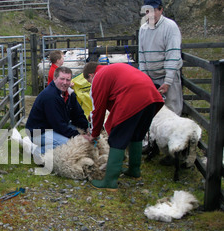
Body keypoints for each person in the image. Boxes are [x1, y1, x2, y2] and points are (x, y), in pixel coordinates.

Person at [82, 62, 165, 191]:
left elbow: (97, 110)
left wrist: (94, 134)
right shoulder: (114, 69)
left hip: (133, 98)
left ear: (91, 75)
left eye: (89, 81)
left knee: (118, 138)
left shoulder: (99, 77)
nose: (91, 85)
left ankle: (110, 182)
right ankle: (134, 170)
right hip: (151, 97)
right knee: (136, 135)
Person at [26, 66, 89, 155]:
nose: (65, 83)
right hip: (39, 132)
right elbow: (58, 124)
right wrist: (79, 136)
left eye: (68, 80)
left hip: (53, 127)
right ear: (55, 78)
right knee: (68, 143)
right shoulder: (50, 97)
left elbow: (78, 114)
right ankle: (35, 150)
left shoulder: (70, 94)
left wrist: (87, 128)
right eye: (62, 79)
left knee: (78, 134)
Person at [139, 0, 183, 115]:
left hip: (168, 76)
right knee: (153, 110)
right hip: (151, 77)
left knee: (172, 109)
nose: (151, 14)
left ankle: (176, 131)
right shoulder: (143, 29)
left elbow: (172, 54)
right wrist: (144, 78)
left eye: (154, 10)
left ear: (161, 10)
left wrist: (168, 81)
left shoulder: (170, 27)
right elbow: (141, 54)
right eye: (148, 11)